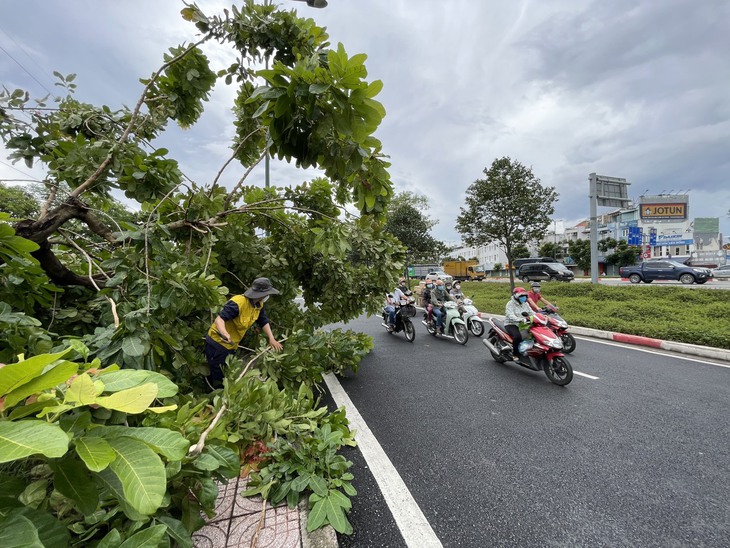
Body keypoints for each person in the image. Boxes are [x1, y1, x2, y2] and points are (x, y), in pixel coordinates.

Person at [204, 277, 283, 389]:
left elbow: (263, 321)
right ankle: (213, 400)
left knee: (226, 374)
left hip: (232, 345)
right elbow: (219, 320)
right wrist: (225, 333)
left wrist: (272, 338)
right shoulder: (238, 303)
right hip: (218, 344)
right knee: (217, 378)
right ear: (262, 293)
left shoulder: (258, 304)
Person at [504, 287, 534, 361]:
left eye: (524, 296)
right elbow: (510, 315)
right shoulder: (510, 304)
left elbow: (531, 312)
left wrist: (540, 316)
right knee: (517, 336)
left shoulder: (525, 303)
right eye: (521, 296)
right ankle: (515, 354)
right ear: (516, 296)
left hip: (524, 323)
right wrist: (520, 319)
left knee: (534, 333)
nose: (523, 297)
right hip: (511, 323)